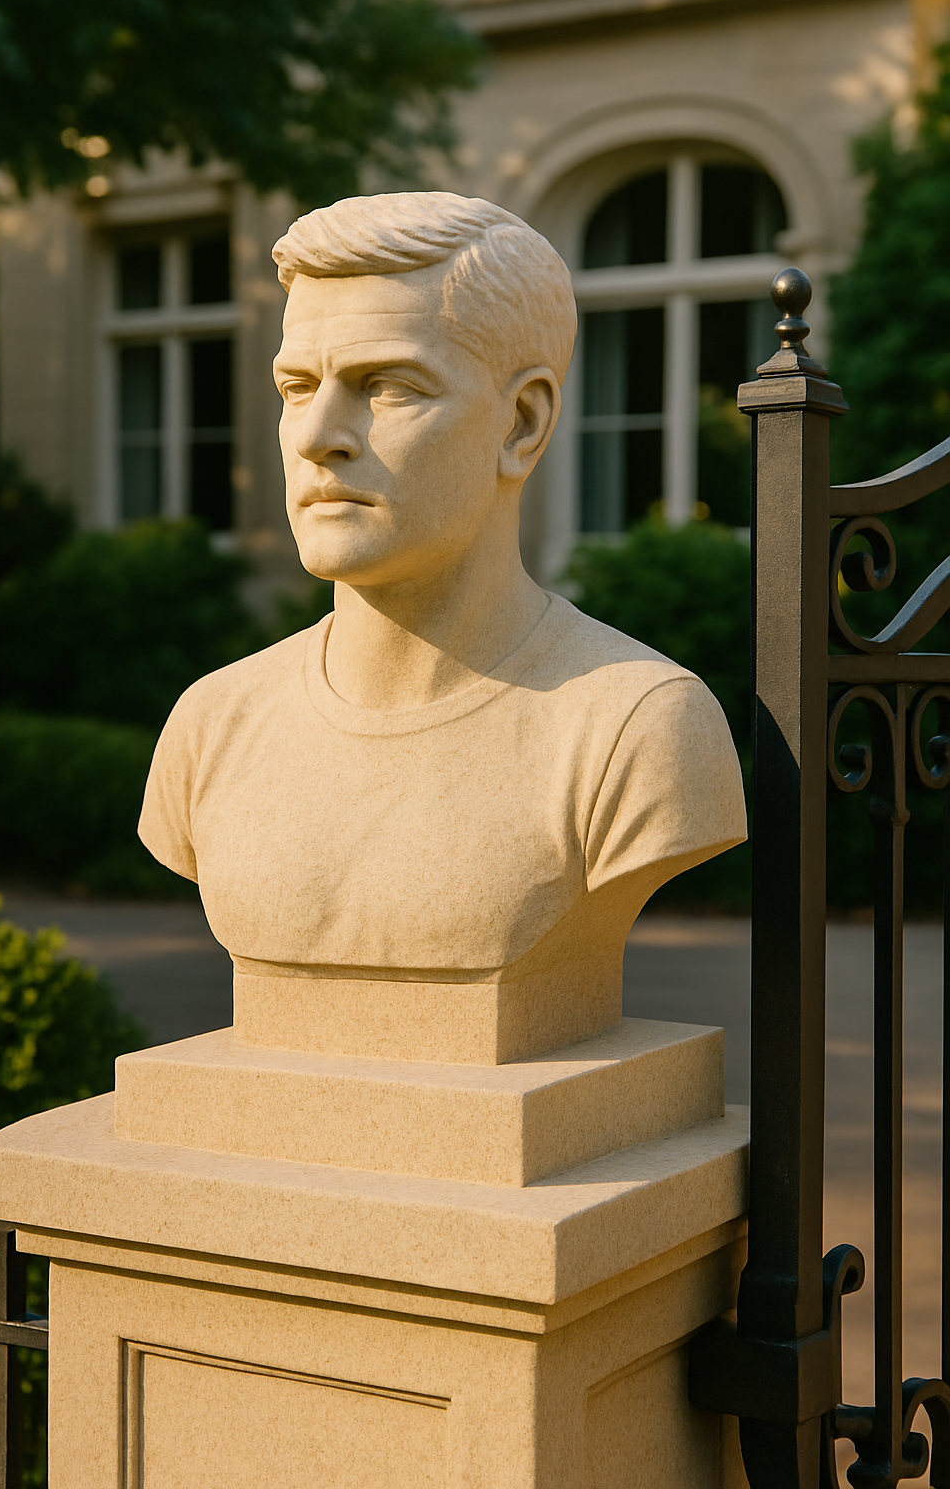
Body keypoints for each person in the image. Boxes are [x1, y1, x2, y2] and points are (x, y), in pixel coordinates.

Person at [138, 192, 745, 1057]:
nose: (317, 436)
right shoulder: (211, 722)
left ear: (522, 424)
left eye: (386, 386)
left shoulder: (637, 728)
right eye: (296, 386)